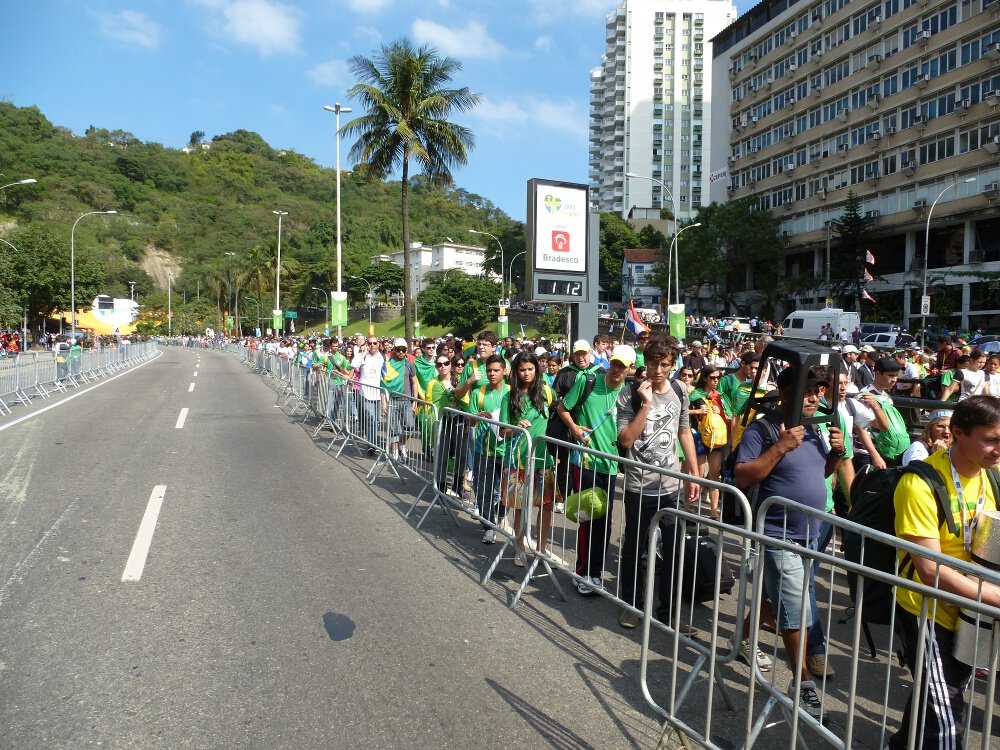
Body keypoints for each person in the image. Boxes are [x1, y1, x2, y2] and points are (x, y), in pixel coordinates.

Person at [734, 366, 846, 720]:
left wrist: (836, 455)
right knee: (795, 609)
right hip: (778, 533)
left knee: (776, 595)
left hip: (812, 531)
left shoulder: (815, 429)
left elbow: (819, 475)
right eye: (808, 391)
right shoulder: (762, 428)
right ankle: (802, 685)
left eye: (819, 391)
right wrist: (780, 447)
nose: (815, 398)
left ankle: (741, 642)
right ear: (785, 392)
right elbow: (742, 474)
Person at [889, 395, 1000, 749]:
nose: (999, 448)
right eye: (991, 439)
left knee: (936, 696)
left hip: (973, 612)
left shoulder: (993, 477)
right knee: (947, 718)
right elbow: (929, 568)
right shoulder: (919, 483)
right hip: (928, 610)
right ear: (956, 433)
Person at [616, 334, 702, 629]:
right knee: (634, 549)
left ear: (672, 364)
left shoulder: (680, 389)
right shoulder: (629, 394)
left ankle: (668, 613)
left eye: (664, 364)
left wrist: (694, 475)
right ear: (645, 361)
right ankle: (632, 605)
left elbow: (684, 432)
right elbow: (625, 440)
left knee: (676, 550)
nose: (658, 370)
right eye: (653, 363)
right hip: (639, 485)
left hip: (671, 486)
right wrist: (645, 404)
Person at [556, 344, 633, 595]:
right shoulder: (587, 380)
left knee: (605, 521)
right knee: (589, 518)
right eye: (615, 363)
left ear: (632, 368)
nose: (618, 369)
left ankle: (595, 572)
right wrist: (575, 429)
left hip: (610, 466)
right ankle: (583, 572)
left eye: (624, 365)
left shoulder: (631, 393)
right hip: (586, 462)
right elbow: (562, 408)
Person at [498, 352, 556, 563]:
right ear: (515, 372)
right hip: (518, 460)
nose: (526, 373)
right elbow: (502, 432)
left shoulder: (546, 393)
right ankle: (520, 547)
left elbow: (560, 417)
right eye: (522, 369)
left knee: (546, 505)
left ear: (537, 369)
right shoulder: (509, 397)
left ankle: (540, 549)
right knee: (521, 507)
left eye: (530, 369)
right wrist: (516, 427)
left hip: (543, 459)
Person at [468, 355, 510, 544]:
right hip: (484, 451)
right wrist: (476, 416)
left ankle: (500, 513)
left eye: (496, 370)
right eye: (489, 370)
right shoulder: (479, 393)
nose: (492, 374)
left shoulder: (512, 392)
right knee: (482, 490)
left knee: (510, 492)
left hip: (508, 451)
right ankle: (489, 527)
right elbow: (469, 420)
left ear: (504, 371)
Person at [689, 366, 727, 520]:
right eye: (712, 377)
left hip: (716, 439)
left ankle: (713, 511)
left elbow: (728, 416)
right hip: (698, 437)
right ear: (704, 378)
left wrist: (721, 412)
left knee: (714, 475)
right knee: (696, 475)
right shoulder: (695, 394)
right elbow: (682, 411)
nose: (716, 380)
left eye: (718, 377)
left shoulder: (719, 395)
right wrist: (697, 412)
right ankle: (690, 505)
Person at [383, 338, 419, 462]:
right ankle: (394, 452)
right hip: (393, 400)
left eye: (404, 350)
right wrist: (384, 402)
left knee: (409, 426)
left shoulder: (409, 364)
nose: (401, 352)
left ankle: (402, 444)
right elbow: (383, 384)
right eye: (399, 350)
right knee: (393, 428)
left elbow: (414, 382)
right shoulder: (388, 363)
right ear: (394, 350)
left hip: (406, 400)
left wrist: (415, 400)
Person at [351, 336, 385, 454]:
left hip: (377, 394)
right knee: (371, 419)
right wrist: (363, 353)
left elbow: (386, 376)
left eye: (374, 343)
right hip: (365, 393)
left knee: (376, 420)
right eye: (370, 343)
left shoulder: (382, 357)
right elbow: (353, 364)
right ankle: (372, 444)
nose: (372, 345)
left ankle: (371, 440)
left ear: (378, 344)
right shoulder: (363, 356)